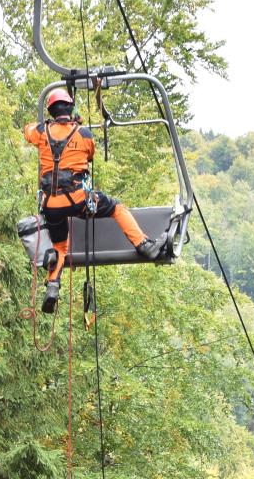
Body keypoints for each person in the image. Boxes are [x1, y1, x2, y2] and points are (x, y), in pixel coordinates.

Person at [24, 87, 162, 314]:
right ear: (70, 109)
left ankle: (53, 285)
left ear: (51, 111)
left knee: (60, 247)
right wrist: (75, 126)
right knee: (116, 207)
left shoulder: (40, 132)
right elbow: (90, 155)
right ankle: (143, 245)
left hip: (51, 205)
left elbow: (27, 130)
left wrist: (46, 125)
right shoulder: (84, 133)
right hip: (77, 199)